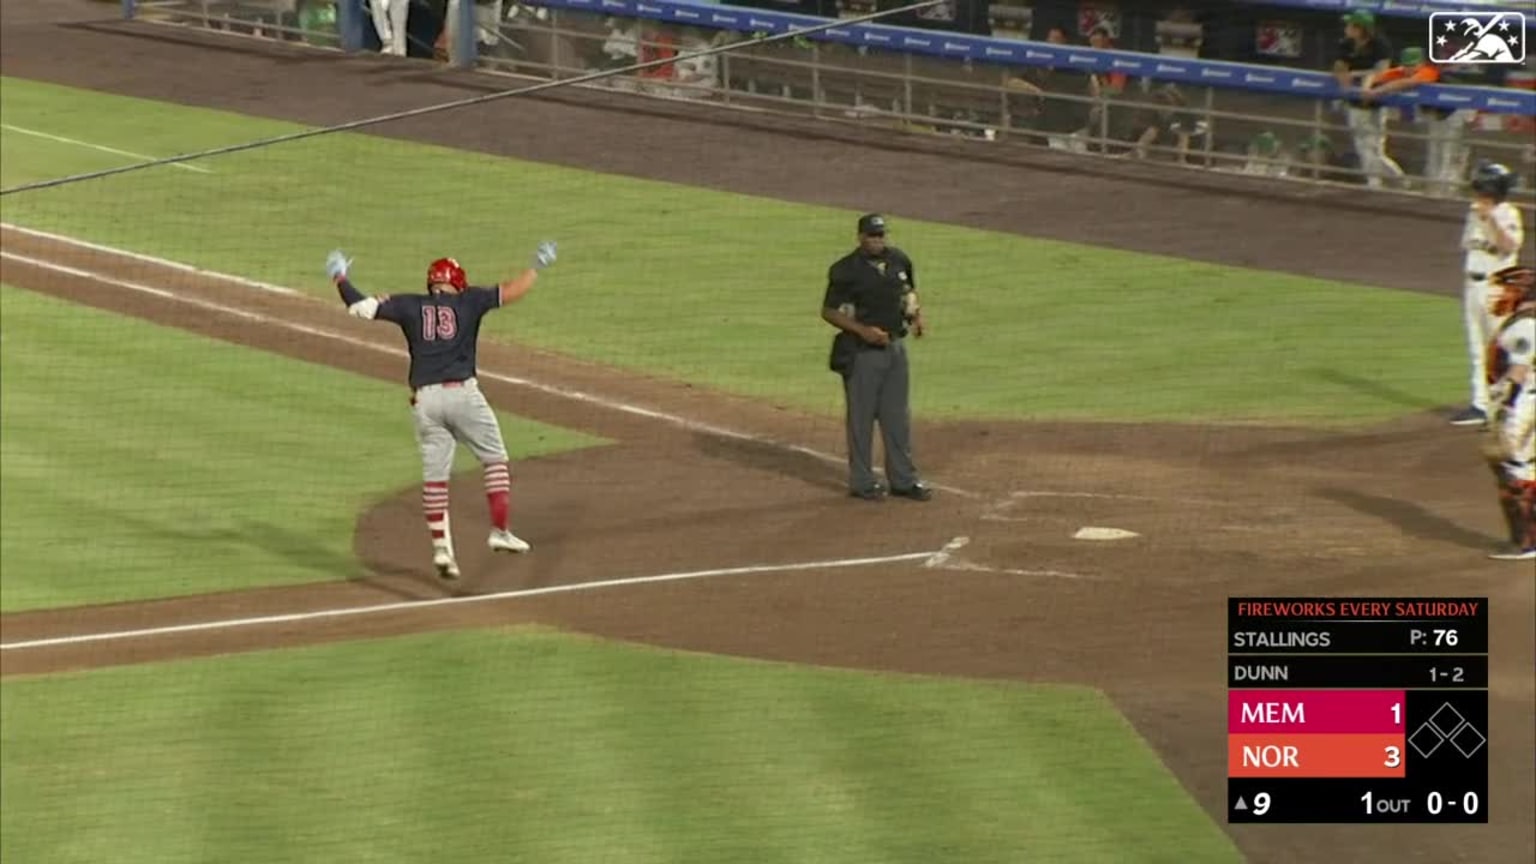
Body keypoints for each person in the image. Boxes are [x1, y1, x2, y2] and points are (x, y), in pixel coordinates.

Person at [324, 240, 559, 581]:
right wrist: (536, 267)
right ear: (457, 281)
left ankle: (442, 550)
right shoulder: (471, 300)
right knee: (494, 460)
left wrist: (339, 277)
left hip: (426, 402)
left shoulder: (408, 304)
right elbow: (511, 291)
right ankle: (499, 530)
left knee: (436, 480)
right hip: (463, 395)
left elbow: (359, 307)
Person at [822, 214, 931, 502]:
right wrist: (863, 331)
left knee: (897, 417)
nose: (878, 240)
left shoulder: (899, 260)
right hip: (862, 354)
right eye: (872, 236)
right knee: (862, 419)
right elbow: (829, 311)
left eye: (881, 235)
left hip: (896, 349)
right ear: (860, 237)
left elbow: (909, 293)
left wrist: (917, 316)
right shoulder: (846, 270)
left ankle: (904, 480)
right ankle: (862, 481)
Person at [1451, 161, 1526, 427]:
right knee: (1477, 348)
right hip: (1473, 286)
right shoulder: (1473, 214)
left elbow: (1509, 246)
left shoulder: (1509, 213)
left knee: (1503, 348)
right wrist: (1481, 217)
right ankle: (1480, 406)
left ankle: (1514, 404)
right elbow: (1469, 247)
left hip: (1499, 289)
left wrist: (1491, 218)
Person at [1478, 265, 1536, 561]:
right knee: (1525, 468)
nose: (1499, 295)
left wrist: (1506, 409)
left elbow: (1519, 368)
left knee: (1510, 469)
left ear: (1522, 290)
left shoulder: (1524, 326)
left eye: (1506, 288)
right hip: (1528, 401)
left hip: (1522, 403)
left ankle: (1525, 542)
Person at [1360, 47, 1464, 196]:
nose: (1410, 69)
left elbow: (1409, 83)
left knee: (1448, 152)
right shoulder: (1401, 72)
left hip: (1455, 110)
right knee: (1435, 150)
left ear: (1421, 63)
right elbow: (1375, 75)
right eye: (1407, 65)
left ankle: (1447, 192)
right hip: (1435, 114)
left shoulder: (1429, 71)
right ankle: (1435, 190)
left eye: (1413, 65)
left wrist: (1376, 91)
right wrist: (1366, 88)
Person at [1332, 10, 1401, 189]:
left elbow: (1381, 72)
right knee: (1362, 145)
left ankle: (1398, 179)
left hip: (1376, 100)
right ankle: (1376, 183)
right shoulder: (1346, 43)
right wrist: (1342, 75)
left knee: (1376, 148)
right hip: (1355, 101)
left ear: (1360, 29)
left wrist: (1357, 75)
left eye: (1350, 25)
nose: (1346, 28)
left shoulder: (1380, 44)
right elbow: (1339, 65)